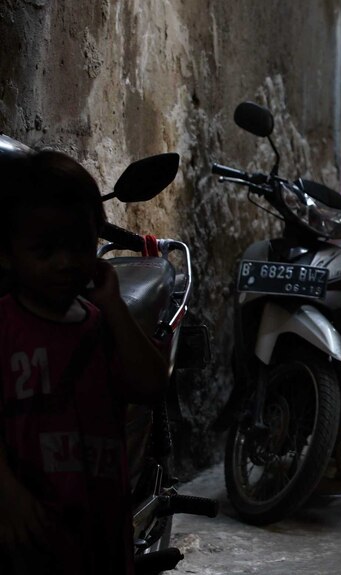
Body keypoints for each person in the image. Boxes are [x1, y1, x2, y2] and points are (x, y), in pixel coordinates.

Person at [0, 150, 169, 574]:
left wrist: (113, 305)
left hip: (100, 528)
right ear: (7, 253)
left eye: (79, 246)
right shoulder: (6, 326)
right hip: (28, 531)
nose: (65, 262)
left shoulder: (99, 321)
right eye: (44, 250)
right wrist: (8, 494)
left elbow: (151, 386)